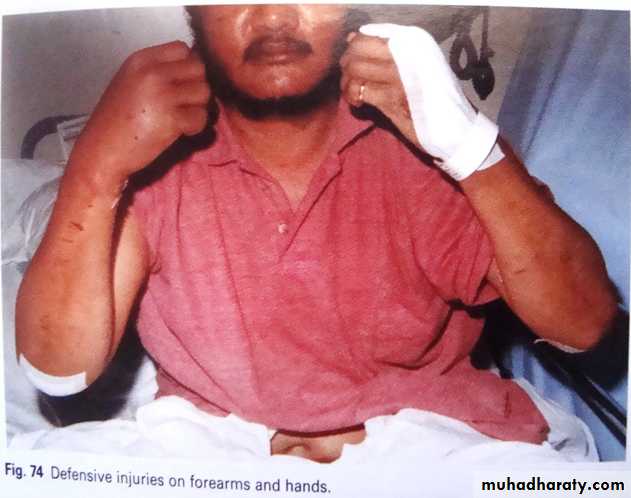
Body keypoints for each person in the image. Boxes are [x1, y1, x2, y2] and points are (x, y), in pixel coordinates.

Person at [15, 5, 617, 464]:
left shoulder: (425, 137)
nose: (275, 15)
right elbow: (57, 374)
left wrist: (472, 149)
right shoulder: (156, 156)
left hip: (427, 440)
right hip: (211, 447)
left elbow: (585, 323)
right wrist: (94, 168)